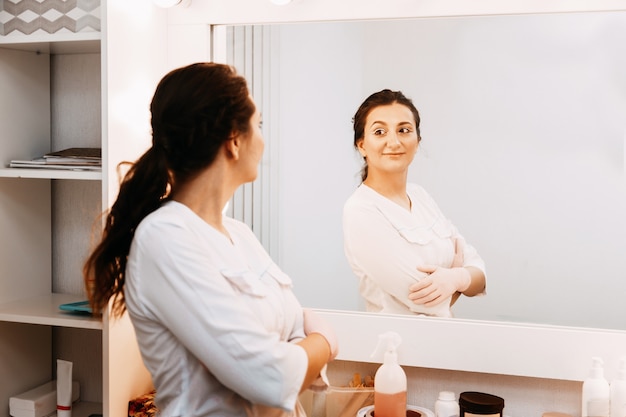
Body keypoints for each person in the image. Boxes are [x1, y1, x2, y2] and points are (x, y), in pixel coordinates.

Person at [83, 62, 337, 416]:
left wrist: (296, 351)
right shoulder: (164, 238)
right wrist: (324, 342)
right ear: (234, 140)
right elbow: (272, 376)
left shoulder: (240, 235)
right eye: (258, 125)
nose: (262, 140)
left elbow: (291, 334)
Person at [342, 89, 486, 317]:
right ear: (362, 145)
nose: (394, 141)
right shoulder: (361, 210)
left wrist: (457, 277)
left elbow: (480, 275)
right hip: (398, 347)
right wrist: (460, 274)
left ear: (417, 141)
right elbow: (428, 302)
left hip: (445, 343)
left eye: (404, 130)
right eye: (379, 132)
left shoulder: (420, 196)